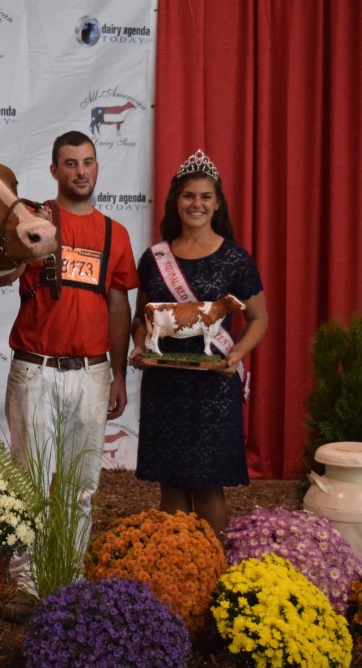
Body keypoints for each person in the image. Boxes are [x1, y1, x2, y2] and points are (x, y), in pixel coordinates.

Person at [1, 130, 138, 617]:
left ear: (97, 168)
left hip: (92, 370)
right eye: (70, 163)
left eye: (87, 162)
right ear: (55, 171)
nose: (80, 171)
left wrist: (119, 374)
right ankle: (27, 581)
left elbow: (119, 304)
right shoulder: (34, 220)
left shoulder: (114, 234)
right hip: (35, 368)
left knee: (81, 484)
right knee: (29, 482)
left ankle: (70, 574)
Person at [128, 148, 268, 537]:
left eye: (206, 196)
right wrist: (139, 346)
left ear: (218, 202)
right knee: (170, 485)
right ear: (176, 200)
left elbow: (259, 319)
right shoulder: (154, 258)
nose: (197, 204)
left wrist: (237, 353)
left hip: (212, 387)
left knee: (209, 487)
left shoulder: (236, 259)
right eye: (189, 195)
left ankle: (212, 571)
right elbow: (142, 319)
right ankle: (178, 573)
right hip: (165, 385)